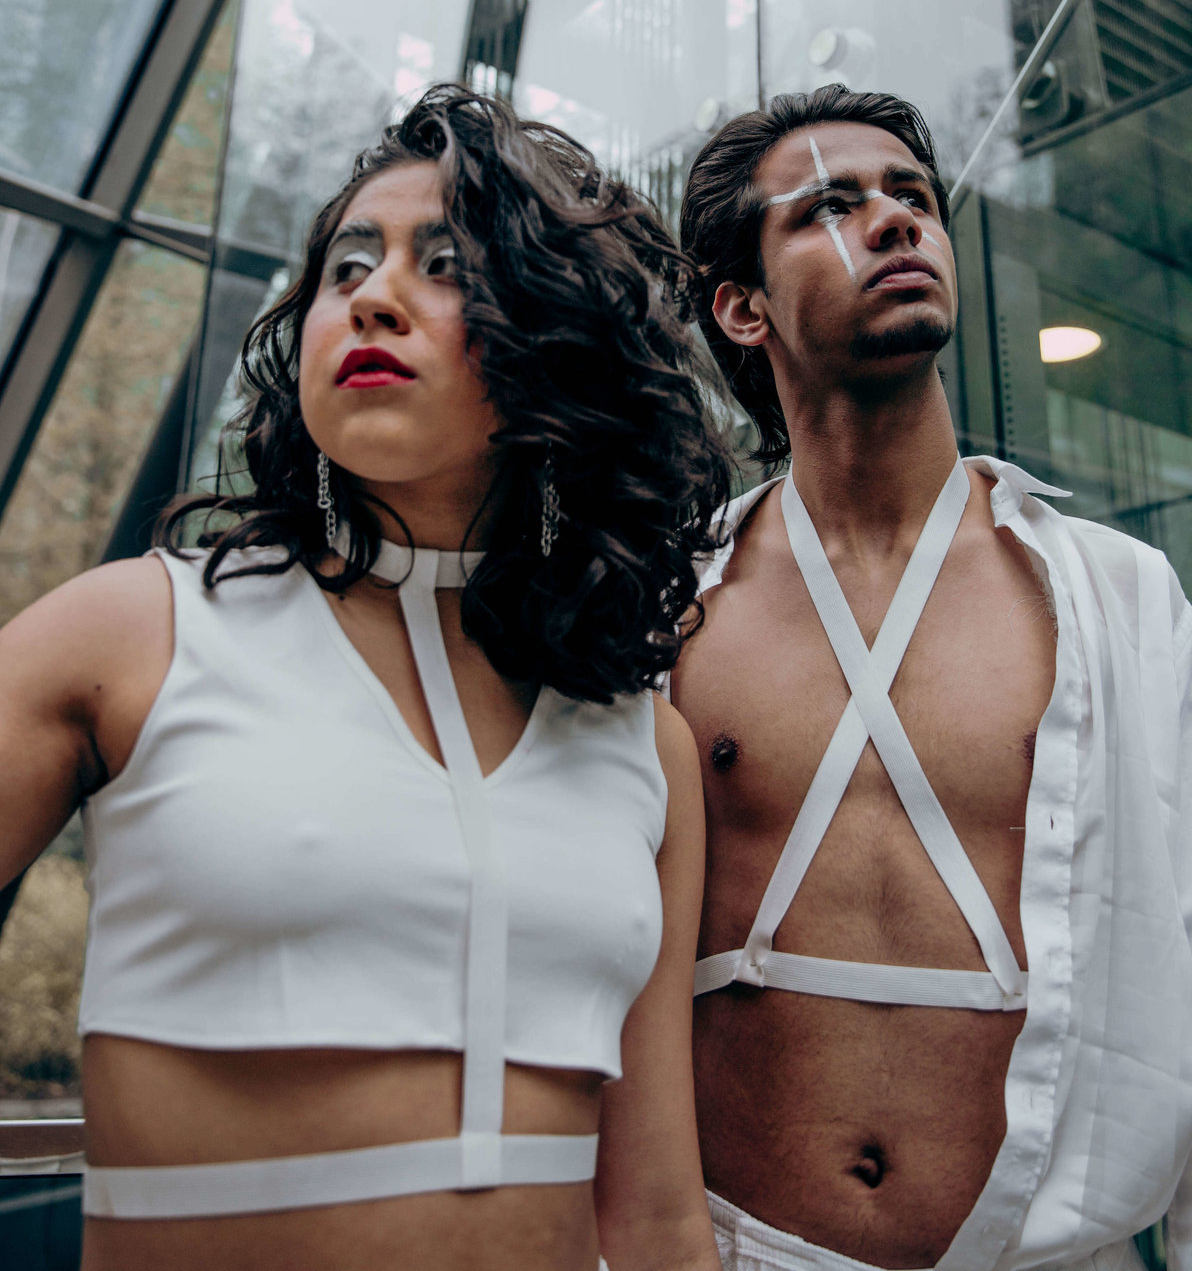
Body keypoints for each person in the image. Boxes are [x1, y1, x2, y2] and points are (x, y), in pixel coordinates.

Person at [0, 85, 730, 1271]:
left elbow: (653, 1217)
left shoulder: (645, 746)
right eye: (345, 268)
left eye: (444, 265)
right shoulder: (133, 633)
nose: (372, 297)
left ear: (561, 338)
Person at [672, 82, 1192, 1271]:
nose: (897, 222)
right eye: (831, 208)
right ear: (742, 307)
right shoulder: (672, 610)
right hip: (741, 1248)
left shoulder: (1121, 602)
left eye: (913, 197)